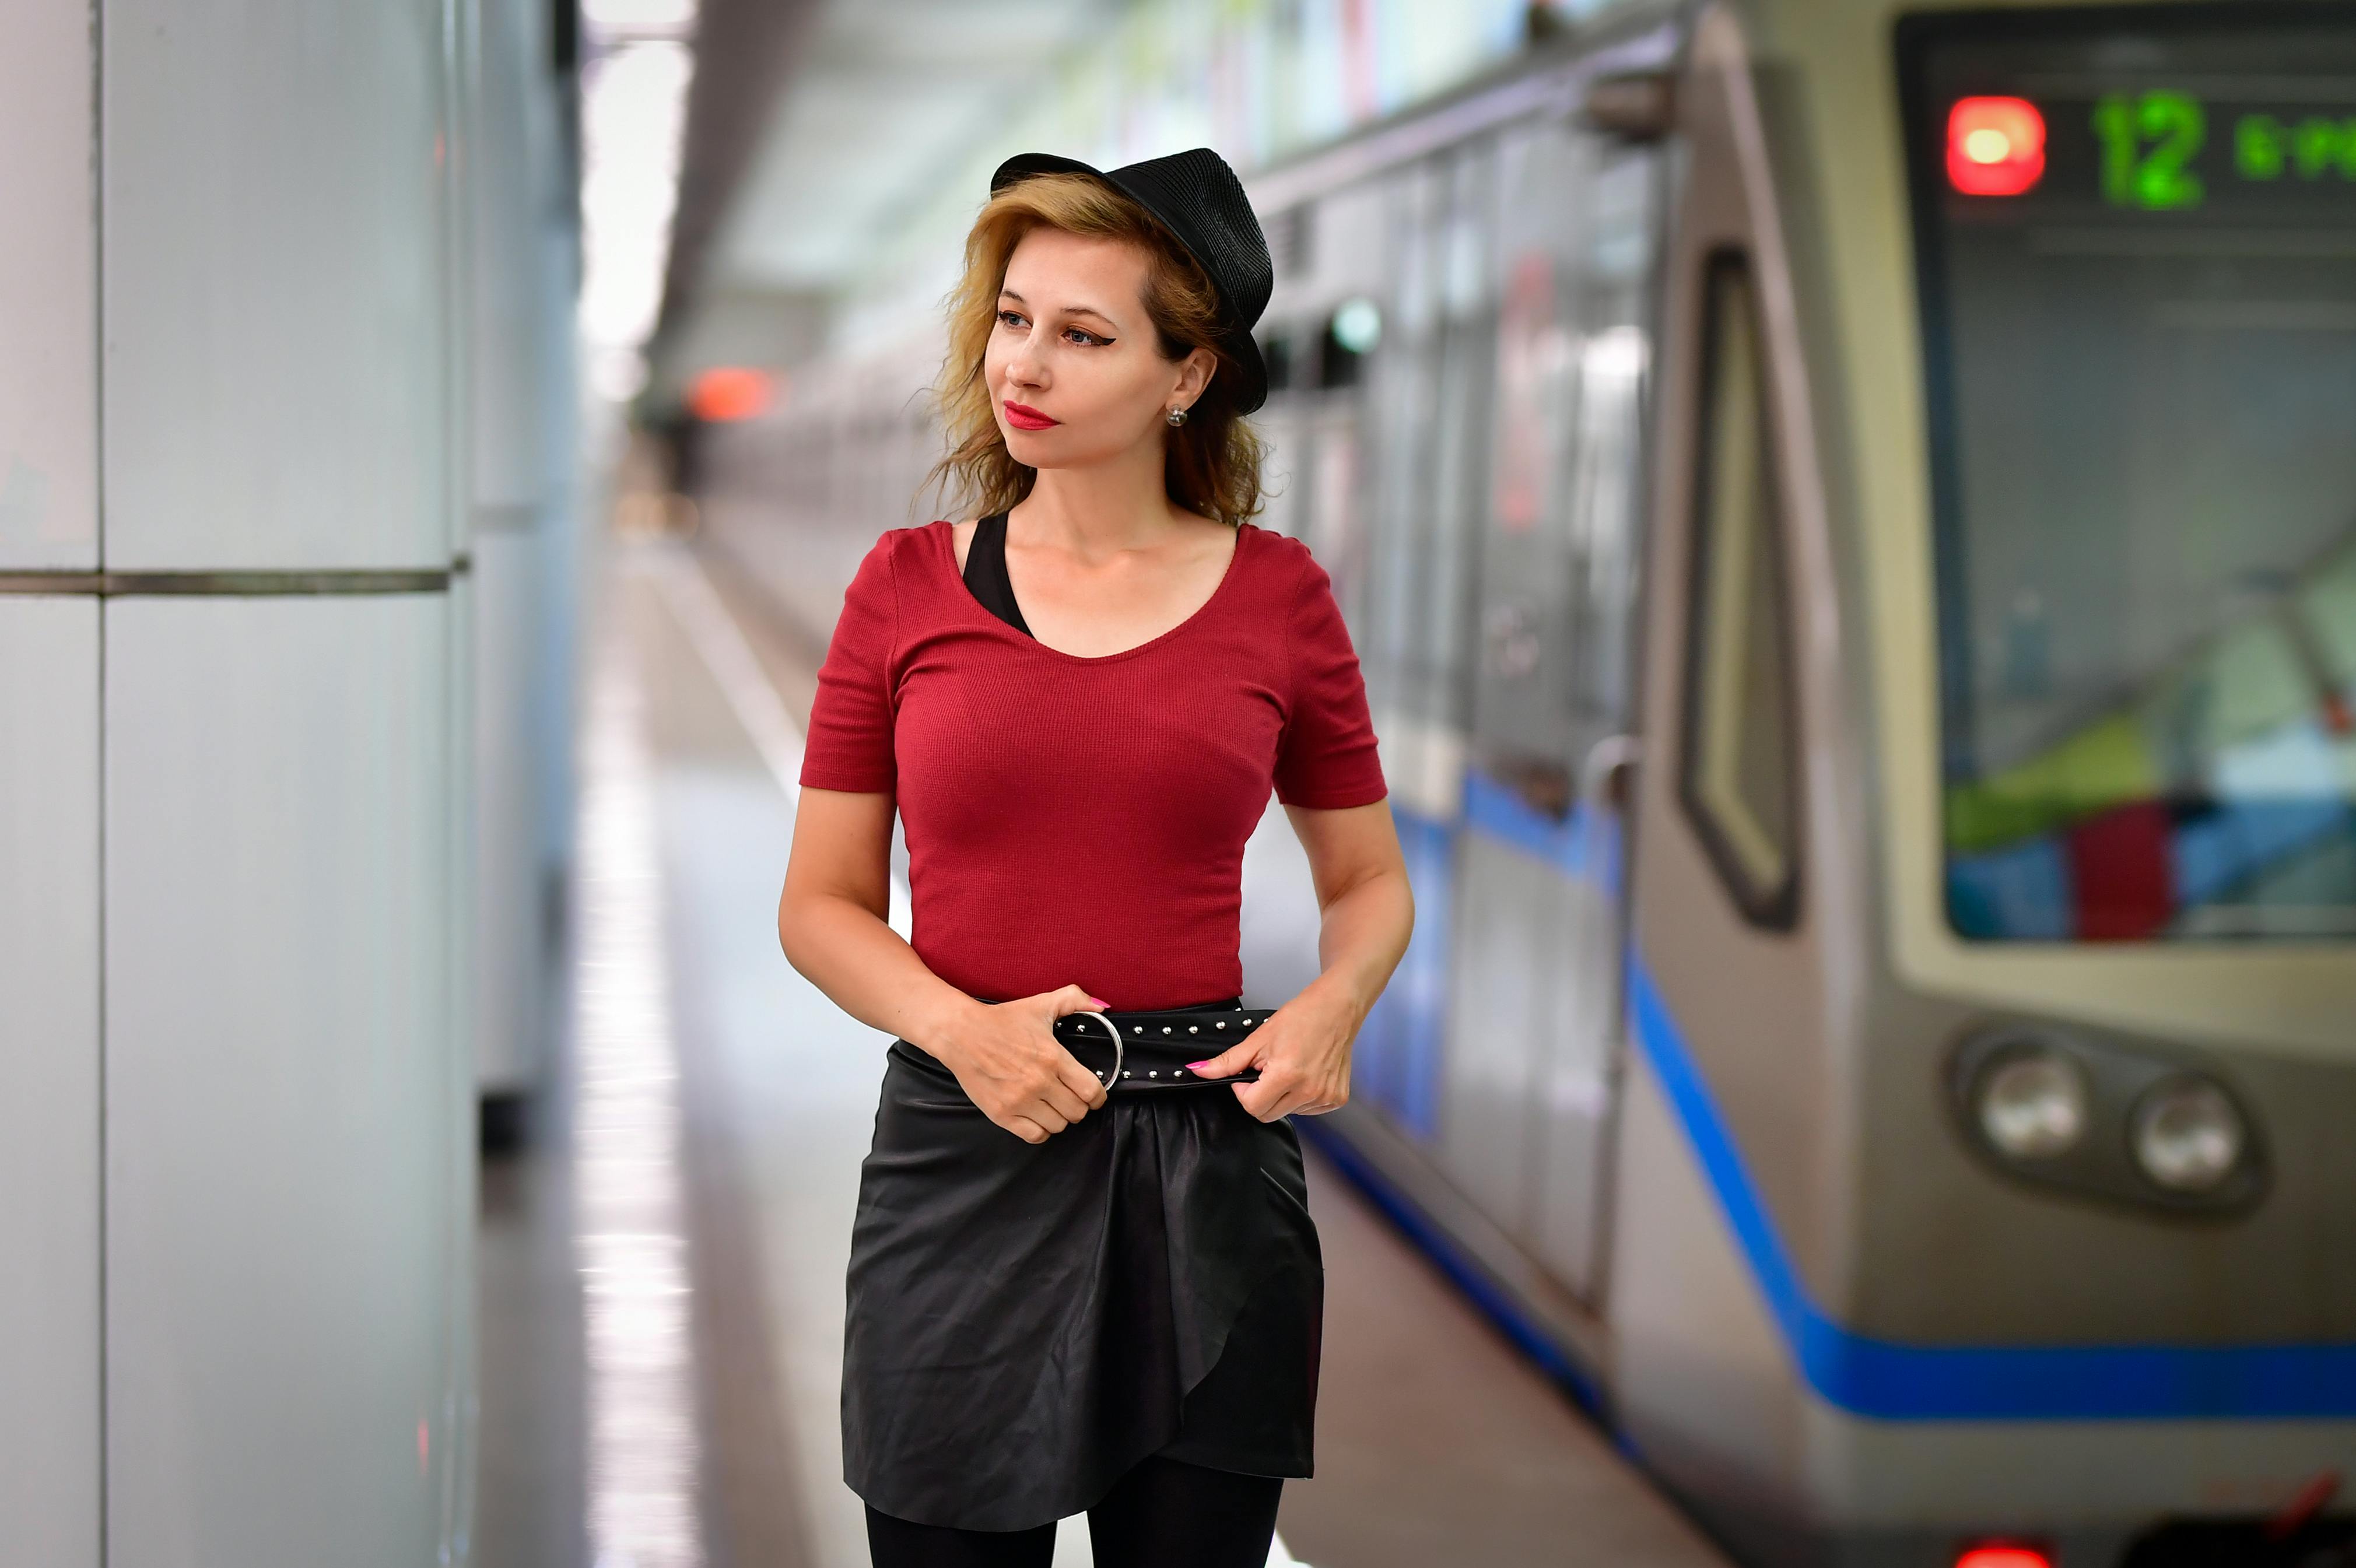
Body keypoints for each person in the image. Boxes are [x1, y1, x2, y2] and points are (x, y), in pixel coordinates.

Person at [777, 145, 1415, 1568]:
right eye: (1013, 319)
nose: (1028, 365)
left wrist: (1332, 1004)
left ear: (1184, 377)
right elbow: (818, 907)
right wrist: (962, 1030)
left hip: (1205, 1161)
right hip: (968, 1141)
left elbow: (1367, 880)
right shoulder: (901, 588)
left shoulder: (1280, 597)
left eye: (1082, 334)